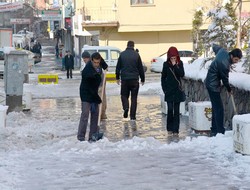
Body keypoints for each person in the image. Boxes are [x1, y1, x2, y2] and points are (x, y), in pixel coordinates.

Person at [205, 44, 242, 137]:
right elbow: (225, 79)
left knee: (215, 107)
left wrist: (213, 46)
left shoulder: (223, 52)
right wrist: (229, 89)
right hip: (213, 85)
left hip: (210, 82)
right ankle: (220, 131)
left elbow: (216, 47)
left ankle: (214, 130)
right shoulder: (224, 64)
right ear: (232, 56)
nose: (236, 62)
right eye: (236, 60)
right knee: (219, 109)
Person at [77, 52, 104, 142]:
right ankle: (81, 136)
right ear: (91, 61)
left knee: (95, 114)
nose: (96, 64)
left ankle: (92, 135)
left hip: (93, 93)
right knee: (85, 114)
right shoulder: (87, 70)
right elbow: (90, 84)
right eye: (95, 62)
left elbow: (103, 63)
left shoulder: (99, 68)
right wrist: (97, 98)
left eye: (98, 62)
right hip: (86, 94)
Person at [116, 41, 145, 120]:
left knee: (124, 95)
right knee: (134, 98)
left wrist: (117, 77)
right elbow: (140, 68)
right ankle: (132, 117)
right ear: (133, 46)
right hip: (134, 80)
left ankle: (125, 107)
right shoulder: (136, 55)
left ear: (127, 45)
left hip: (125, 80)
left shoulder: (122, 54)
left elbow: (118, 67)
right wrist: (142, 79)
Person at [161, 46, 185, 136]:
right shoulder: (165, 64)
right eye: (171, 58)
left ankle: (176, 130)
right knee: (170, 110)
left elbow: (182, 74)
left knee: (176, 111)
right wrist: (165, 89)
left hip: (177, 90)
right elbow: (163, 78)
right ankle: (169, 129)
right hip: (169, 91)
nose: (173, 59)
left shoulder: (180, 63)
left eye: (174, 58)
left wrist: (176, 66)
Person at [81, 51, 108, 120]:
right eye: (83, 59)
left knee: (99, 99)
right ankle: (100, 114)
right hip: (96, 84)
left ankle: (101, 114)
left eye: (85, 59)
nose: (84, 61)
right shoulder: (89, 64)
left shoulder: (92, 63)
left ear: (89, 58)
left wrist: (105, 66)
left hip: (99, 84)